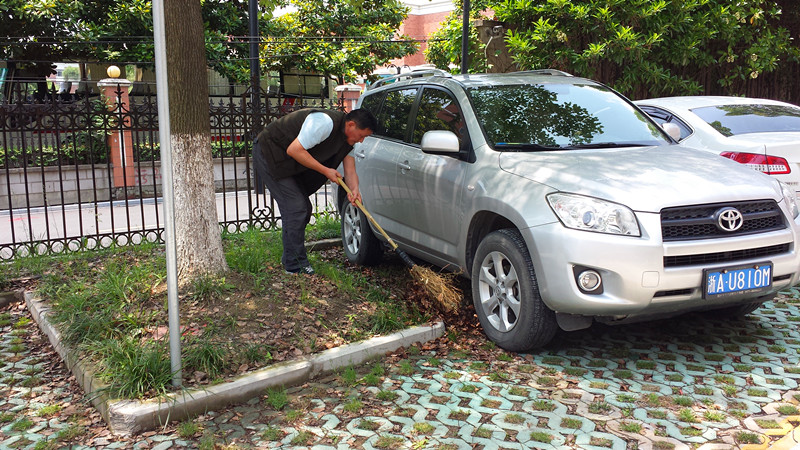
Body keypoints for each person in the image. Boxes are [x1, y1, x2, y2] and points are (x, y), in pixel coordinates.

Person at [252, 108, 377, 274]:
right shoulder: (324, 122)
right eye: (361, 135)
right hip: (270, 153)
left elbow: (350, 171)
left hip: (290, 162)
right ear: (351, 125)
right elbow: (294, 150)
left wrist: (354, 190)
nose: (361, 141)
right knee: (296, 208)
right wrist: (326, 171)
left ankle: (290, 257)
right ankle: (295, 265)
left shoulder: (348, 141)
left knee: (302, 208)